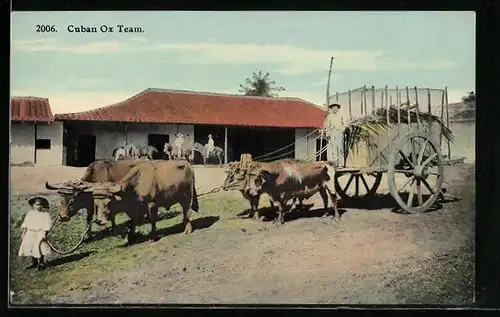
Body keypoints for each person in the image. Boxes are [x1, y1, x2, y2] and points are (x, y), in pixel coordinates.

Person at [18, 196, 53, 271]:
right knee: (31, 247)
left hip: (40, 232)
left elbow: (46, 224)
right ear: (33, 205)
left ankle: (41, 263)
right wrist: (23, 233)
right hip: (30, 232)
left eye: (40, 205)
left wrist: (44, 233)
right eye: (37, 205)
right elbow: (26, 224)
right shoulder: (30, 214)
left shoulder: (45, 214)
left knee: (40, 247)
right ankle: (34, 262)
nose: (39, 206)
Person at [322, 103, 345, 167]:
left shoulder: (340, 116)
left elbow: (344, 125)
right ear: (331, 109)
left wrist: (342, 130)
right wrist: (328, 133)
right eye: (333, 108)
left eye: (336, 108)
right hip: (332, 133)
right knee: (333, 149)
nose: (335, 109)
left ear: (338, 109)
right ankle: (334, 164)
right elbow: (327, 126)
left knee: (340, 149)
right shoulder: (329, 116)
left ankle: (340, 164)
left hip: (339, 133)